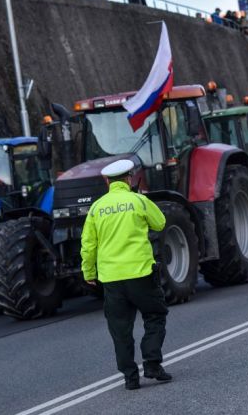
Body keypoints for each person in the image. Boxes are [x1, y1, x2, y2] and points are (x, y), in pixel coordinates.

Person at [81, 159, 171, 390]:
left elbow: (88, 245)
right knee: (154, 315)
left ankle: (130, 378)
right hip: (140, 273)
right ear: (129, 178)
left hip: (111, 279)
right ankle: (152, 364)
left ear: (107, 181)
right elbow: (160, 223)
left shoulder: (96, 208)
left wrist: (89, 272)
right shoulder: (138, 200)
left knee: (120, 329)